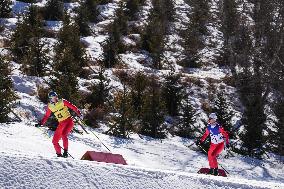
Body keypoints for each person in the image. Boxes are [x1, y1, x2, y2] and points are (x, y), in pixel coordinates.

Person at [36, 91, 82, 158]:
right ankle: (59, 155)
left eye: (54, 97)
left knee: (63, 134)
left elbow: (72, 107)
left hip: (69, 121)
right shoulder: (50, 106)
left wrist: (79, 113)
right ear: (50, 99)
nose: (54, 98)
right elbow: (46, 116)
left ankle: (65, 152)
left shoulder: (62, 101)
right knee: (54, 141)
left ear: (56, 96)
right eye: (52, 97)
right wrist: (40, 123)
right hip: (61, 123)